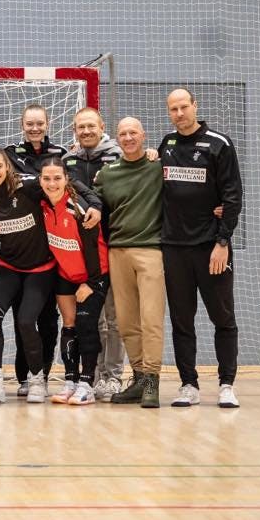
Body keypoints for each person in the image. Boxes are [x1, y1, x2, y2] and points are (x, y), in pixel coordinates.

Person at [0, 148, 102, 405]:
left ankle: (36, 380)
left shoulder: (30, 186)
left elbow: (69, 182)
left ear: (7, 166)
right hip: (8, 268)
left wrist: (96, 204)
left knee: (26, 322)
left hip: (40, 270)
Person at [161, 89, 244, 408]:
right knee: (182, 320)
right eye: (173, 109)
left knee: (223, 317)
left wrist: (223, 241)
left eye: (183, 107)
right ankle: (188, 385)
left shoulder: (218, 144)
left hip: (211, 248)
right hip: (174, 248)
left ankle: (226, 384)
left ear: (194, 107)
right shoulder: (166, 145)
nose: (179, 113)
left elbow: (233, 196)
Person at [96, 117, 165, 409]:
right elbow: (94, 204)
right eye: (122, 134)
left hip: (150, 250)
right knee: (125, 322)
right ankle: (137, 378)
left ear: (143, 135)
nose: (128, 137)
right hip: (117, 251)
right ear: (117, 139)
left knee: (151, 320)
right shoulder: (107, 174)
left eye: (133, 132)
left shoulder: (157, 167)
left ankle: (152, 382)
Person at [3, 103, 65, 397]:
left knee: (48, 320)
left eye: (39, 123)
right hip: (21, 250)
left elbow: (73, 185)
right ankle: (24, 376)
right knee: (21, 318)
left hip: (53, 251)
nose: (35, 128)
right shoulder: (10, 155)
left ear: (47, 123)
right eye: (30, 123)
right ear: (22, 124)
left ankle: (44, 371)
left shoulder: (61, 155)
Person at [64, 107, 125, 401]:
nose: (86, 131)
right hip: (83, 253)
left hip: (114, 245)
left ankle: (112, 376)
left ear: (102, 126)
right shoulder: (68, 161)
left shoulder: (119, 156)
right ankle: (95, 375)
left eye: (91, 126)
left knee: (113, 318)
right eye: (80, 127)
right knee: (94, 319)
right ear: (74, 130)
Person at [39, 158, 110, 406]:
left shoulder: (80, 209)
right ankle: (70, 380)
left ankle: (87, 384)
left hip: (94, 276)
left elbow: (94, 250)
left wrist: (90, 282)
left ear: (67, 179)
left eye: (57, 178)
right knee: (68, 325)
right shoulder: (43, 205)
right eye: (46, 178)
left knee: (86, 325)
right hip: (65, 276)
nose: (52, 183)